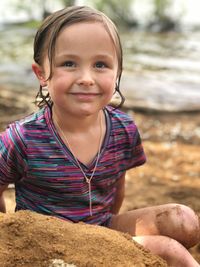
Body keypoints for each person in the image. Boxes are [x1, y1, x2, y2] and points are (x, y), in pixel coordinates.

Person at [0, 5, 199, 266]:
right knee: (168, 251)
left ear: (117, 72)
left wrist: (106, 239)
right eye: (68, 63)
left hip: (101, 225)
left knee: (184, 220)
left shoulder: (124, 130)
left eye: (101, 65)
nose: (86, 78)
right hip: (47, 236)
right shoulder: (21, 138)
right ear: (41, 74)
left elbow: (118, 187)